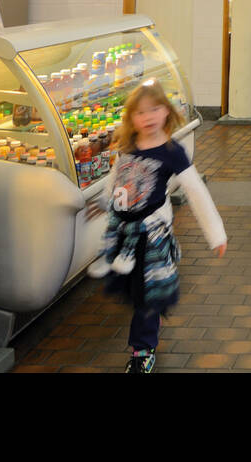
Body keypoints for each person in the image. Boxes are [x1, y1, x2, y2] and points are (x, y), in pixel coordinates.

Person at [87, 79, 227, 373]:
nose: (148, 117)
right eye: (140, 112)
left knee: (146, 292)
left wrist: (216, 235)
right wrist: (103, 202)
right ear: (131, 118)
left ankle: (142, 350)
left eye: (154, 109)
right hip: (124, 233)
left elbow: (196, 192)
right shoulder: (127, 145)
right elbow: (117, 179)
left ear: (166, 112)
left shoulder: (171, 152)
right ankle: (153, 313)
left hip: (152, 235)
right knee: (135, 290)